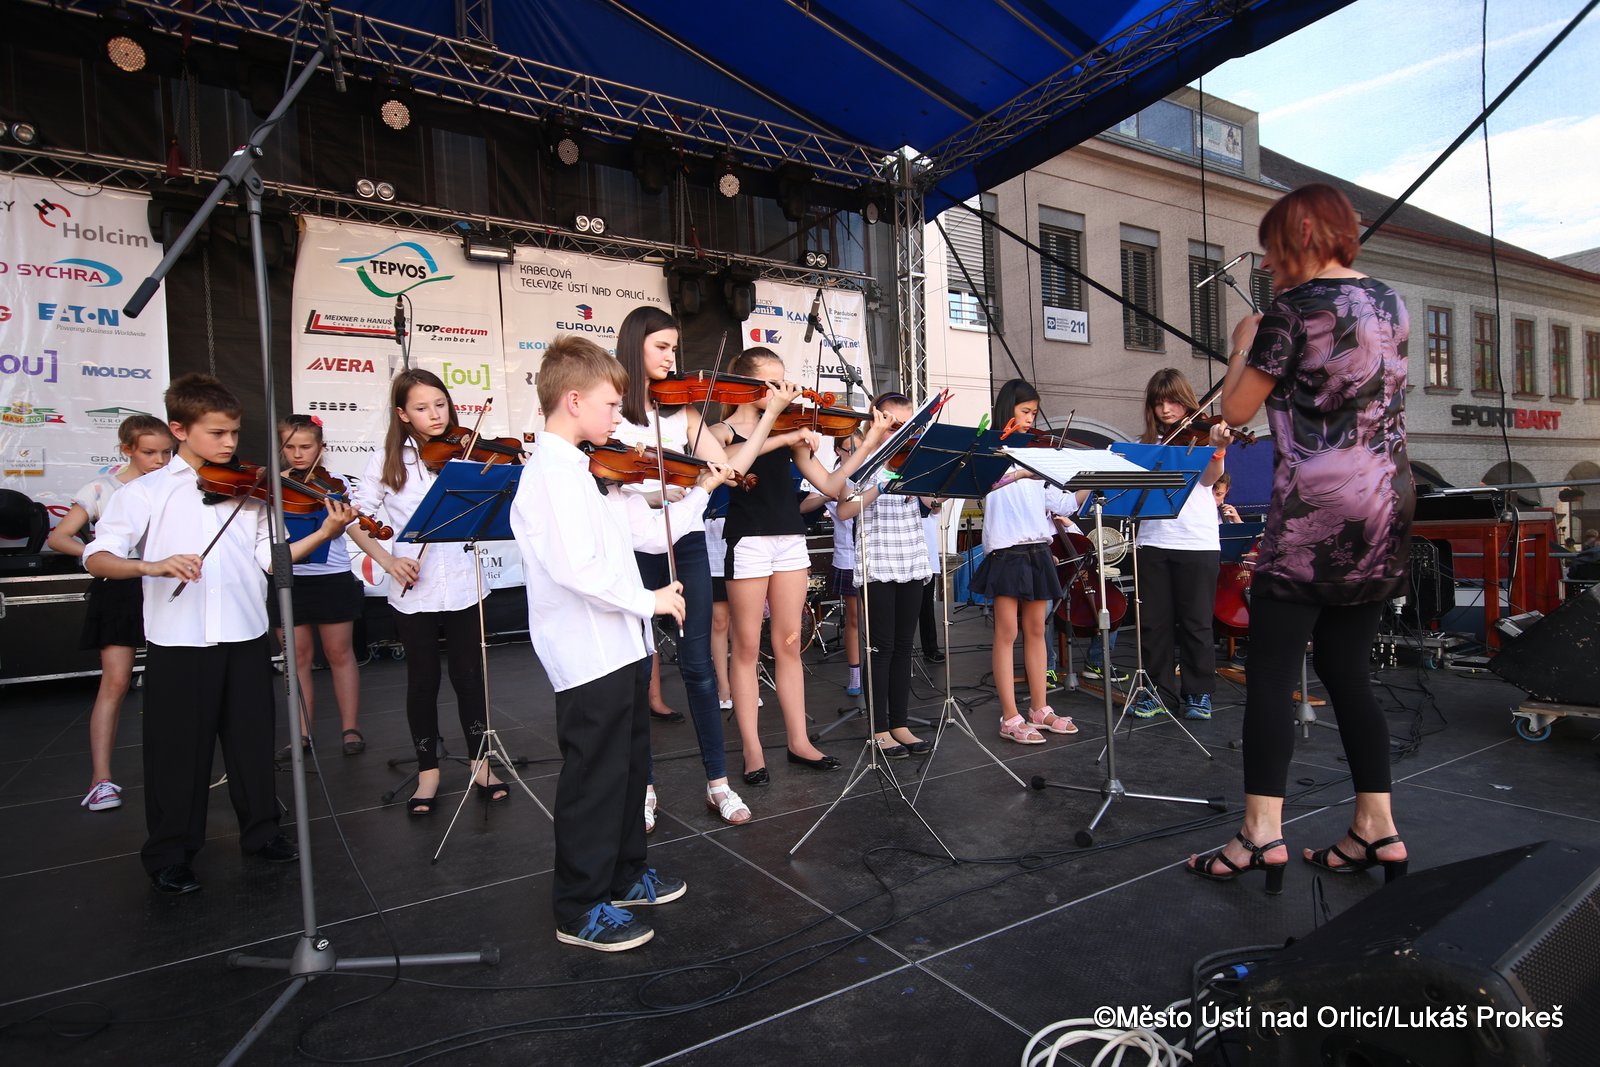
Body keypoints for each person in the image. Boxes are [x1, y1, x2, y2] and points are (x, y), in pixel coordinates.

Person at [1188, 183, 1413, 893]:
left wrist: (1242, 343)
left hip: (1317, 507)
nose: (1266, 263)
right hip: (1383, 501)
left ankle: (1260, 835)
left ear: (1304, 236)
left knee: (1272, 672)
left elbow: (1235, 408)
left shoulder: (1290, 310)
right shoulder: (1391, 302)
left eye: (1272, 248)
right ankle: (1377, 826)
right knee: (1349, 669)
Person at [83, 374, 355, 894]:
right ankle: (171, 851)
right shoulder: (144, 492)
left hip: (246, 633)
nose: (230, 444)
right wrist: (150, 565)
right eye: (217, 434)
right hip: (178, 640)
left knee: (252, 743)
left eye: (234, 432)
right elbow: (98, 556)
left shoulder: (251, 491)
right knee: (176, 753)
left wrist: (324, 532)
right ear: (179, 430)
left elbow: (270, 559)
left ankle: (262, 832)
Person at [510, 334, 729, 951]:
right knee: (595, 779)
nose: (618, 418)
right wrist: (649, 600)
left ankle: (627, 874)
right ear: (574, 401)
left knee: (629, 770)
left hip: (622, 646)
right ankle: (579, 906)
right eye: (610, 405)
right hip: (587, 653)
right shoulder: (550, 475)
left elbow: (651, 536)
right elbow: (577, 569)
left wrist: (702, 490)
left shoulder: (588, 471)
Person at [614, 305, 801, 827]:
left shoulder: (685, 411)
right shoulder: (612, 408)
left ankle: (717, 783)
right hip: (631, 546)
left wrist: (769, 417)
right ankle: (644, 787)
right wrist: (649, 491)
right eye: (661, 347)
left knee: (698, 665)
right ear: (634, 345)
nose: (671, 358)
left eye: (674, 348)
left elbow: (732, 467)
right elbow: (607, 483)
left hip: (687, 540)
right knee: (635, 668)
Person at [719, 347, 892, 783]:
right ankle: (753, 750)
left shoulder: (790, 429)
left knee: (790, 642)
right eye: (773, 382)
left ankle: (799, 741)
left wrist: (869, 443)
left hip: (789, 540)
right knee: (746, 648)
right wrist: (780, 431)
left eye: (785, 380)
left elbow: (832, 486)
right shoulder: (722, 431)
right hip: (748, 540)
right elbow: (730, 468)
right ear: (746, 385)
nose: (785, 390)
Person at [351, 369, 505, 815]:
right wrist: (388, 561)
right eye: (421, 408)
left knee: (469, 676)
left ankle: (481, 763)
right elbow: (356, 519)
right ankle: (428, 771)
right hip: (413, 587)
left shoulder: (468, 452)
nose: (435, 415)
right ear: (403, 414)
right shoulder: (388, 461)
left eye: (440, 404)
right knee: (422, 681)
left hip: (464, 582)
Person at [48, 414, 174, 812]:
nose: (159, 460)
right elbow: (59, 537)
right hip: (120, 589)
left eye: (167, 453)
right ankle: (100, 780)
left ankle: (179, 772)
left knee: (176, 681)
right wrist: (101, 554)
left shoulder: (177, 487)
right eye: (150, 452)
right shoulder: (102, 488)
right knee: (116, 682)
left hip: (167, 584)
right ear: (127, 450)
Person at [974, 378, 1081, 742]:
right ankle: (1010, 717)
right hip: (1006, 550)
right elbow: (981, 487)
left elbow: (1062, 504)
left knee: (1037, 630)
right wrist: (1020, 472)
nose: (1031, 419)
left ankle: (1040, 709)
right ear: (1008, 410)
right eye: (1025, 412)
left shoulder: (1037, 452)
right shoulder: (990, 451)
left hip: (1038, 549)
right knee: (1007, 633)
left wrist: (1087, 479)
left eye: (1034, 413)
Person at [1131, 368, 1233, 722]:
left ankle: (1197, 692)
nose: (1166, 410)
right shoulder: (1146, 446)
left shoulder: (1202, 439)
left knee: (1196, 622)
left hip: (1197, 540)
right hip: (1153, 540)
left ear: (1187, 402)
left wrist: (1218, 449)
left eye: (1173, 402)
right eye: (1158, 403)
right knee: (1154, 623)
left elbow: (1209, 480)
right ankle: (1156, 691)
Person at [835, 392, 931, 756]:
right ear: (876, 421)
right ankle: (878, 729)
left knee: (905, 646)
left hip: (911, 558)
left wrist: (936, 488)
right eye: (893, 424)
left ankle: (900, 723)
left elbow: (933, 505)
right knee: (881, 647)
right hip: (877, 562)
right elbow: (844, 511)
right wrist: (883, 483)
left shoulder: (915, 459)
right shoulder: (862, 459)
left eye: (909, 425)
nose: (901, 432)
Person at [272, 414, 366, 757]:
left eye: (306, 447)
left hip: (332, 576)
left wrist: (385, 559)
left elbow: (355, 530)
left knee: (340, 653)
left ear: (320, 447)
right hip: (288, 578)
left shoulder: (335, 484)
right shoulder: (272, 485)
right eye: (290, 447)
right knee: (296, 658)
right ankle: (301, 733)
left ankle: (350, 729)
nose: (298, 454)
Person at [802, 427, 865, 698]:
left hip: (874, 554)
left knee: (878, 617)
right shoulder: (830, 476)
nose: (858, 455)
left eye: (861, 449)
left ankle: (880, 668)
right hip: (848, 556)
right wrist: (828, 494)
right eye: (851, 450)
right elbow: (803, 507)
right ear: (839, 451)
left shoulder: (870, 472)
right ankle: (855, 673)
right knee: (853, 618)